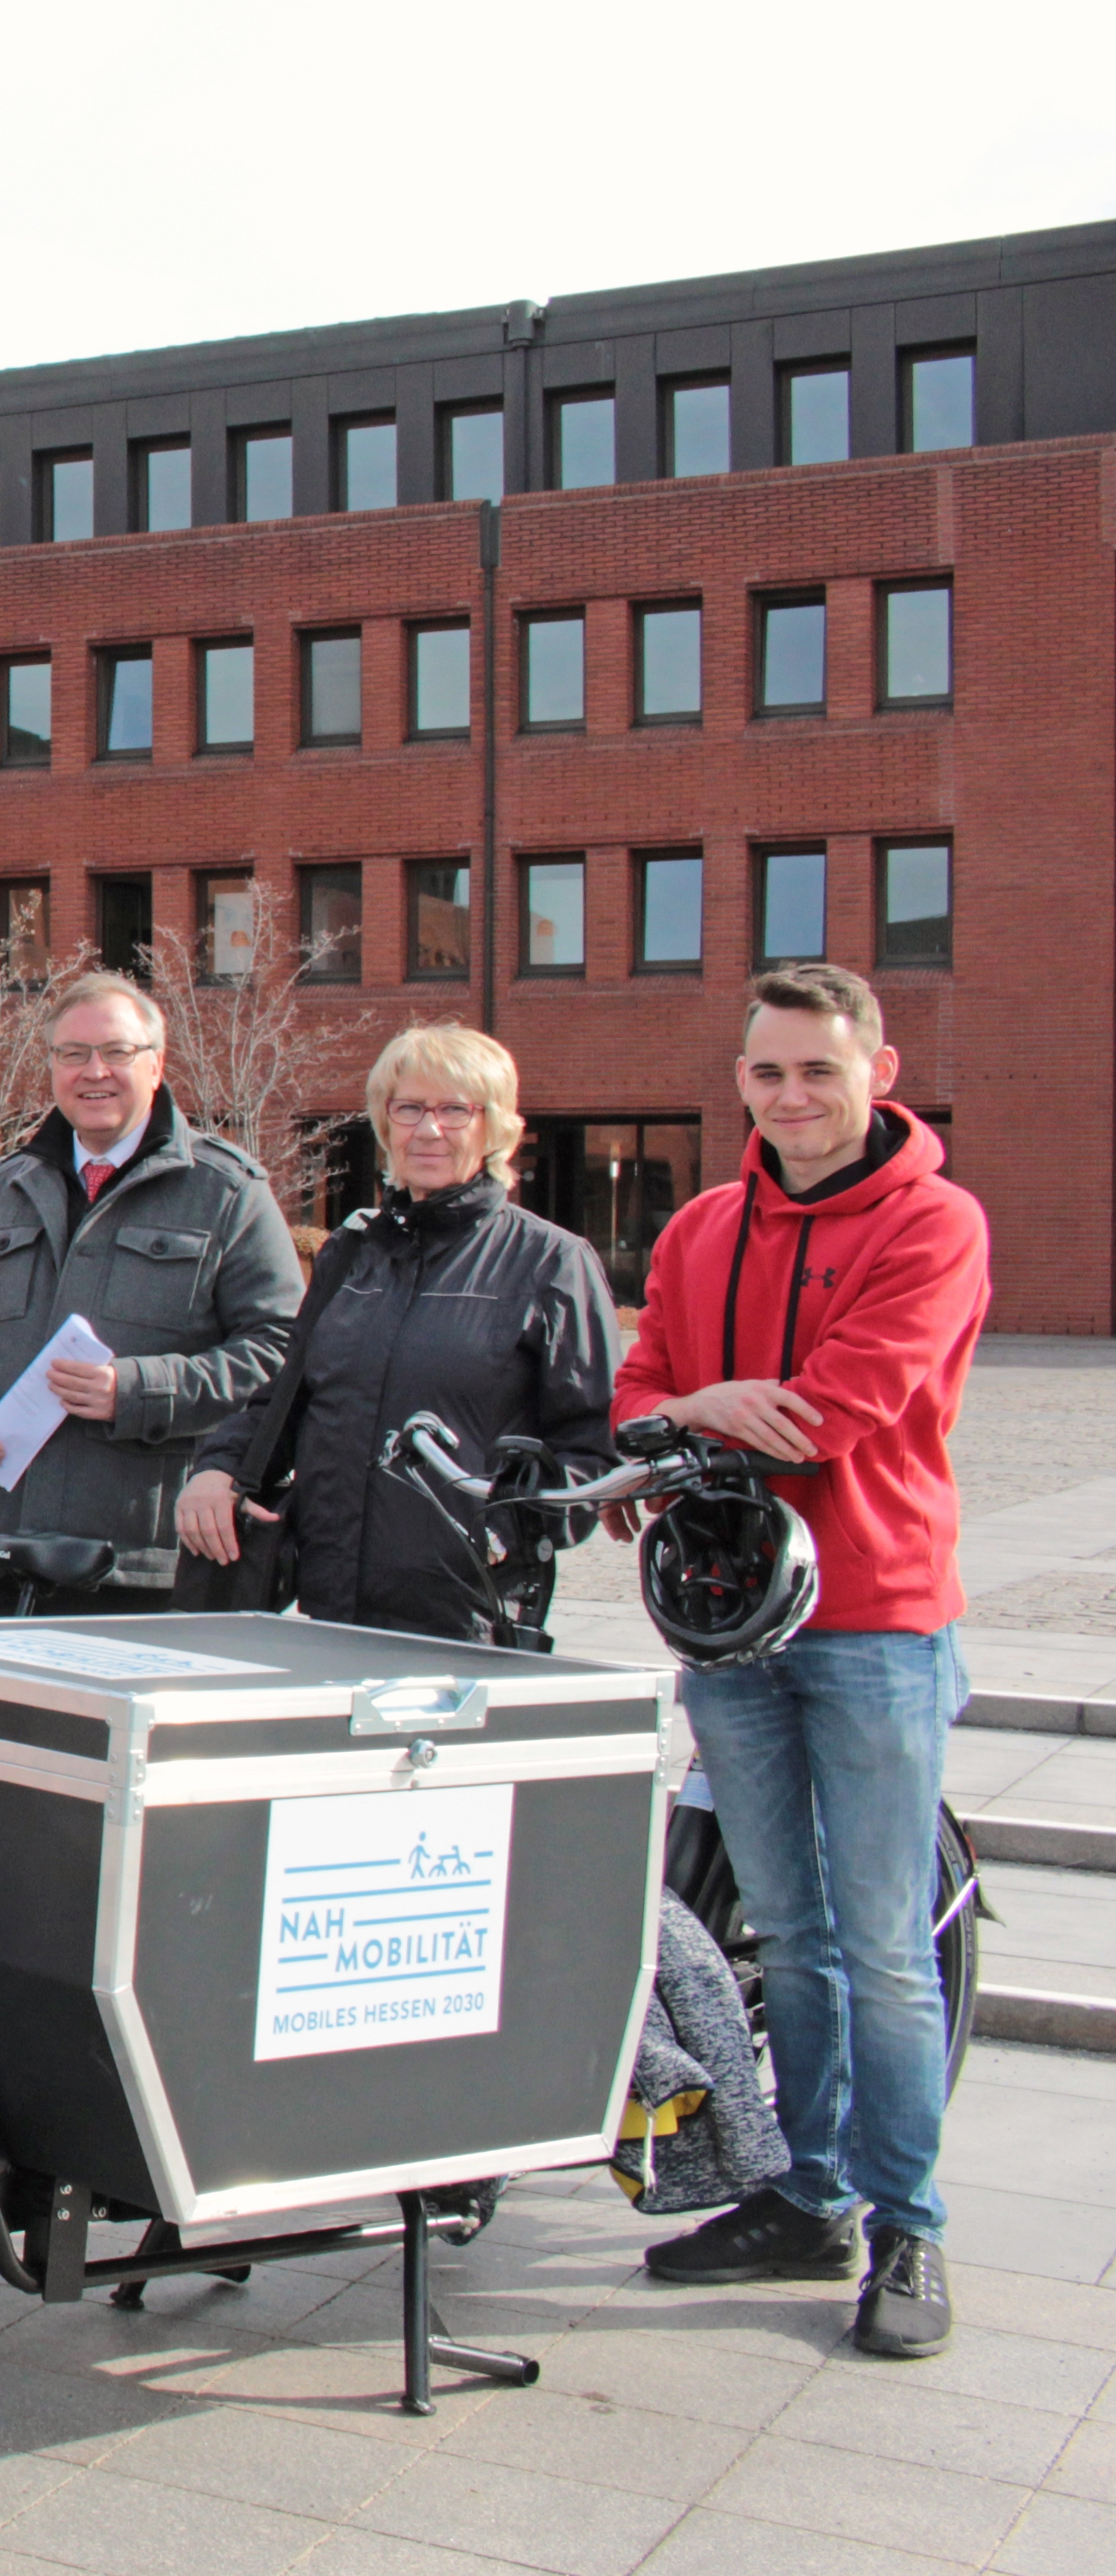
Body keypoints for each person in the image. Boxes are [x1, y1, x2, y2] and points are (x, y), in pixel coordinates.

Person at [616, 963, 989, 2359]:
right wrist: (689, 1410)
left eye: (817, 1070)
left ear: (877, 1073)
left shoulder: (934, 1221)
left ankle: (908, 2223)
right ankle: (809, 2193)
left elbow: (836, 1409)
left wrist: (687, 1414)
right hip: (728, 1619)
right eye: (767, 1072)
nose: (791, 1096)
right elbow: (633, 1393)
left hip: (873, 1620)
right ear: (740, 1081)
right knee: (786, 1934)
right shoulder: (702, 1225)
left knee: (882, 1947)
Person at [179, 1025, 617, 1638]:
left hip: (468, 1613)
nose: (427, 1129)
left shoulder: (550, 1263)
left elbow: (591, 1449)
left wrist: (501, 1534)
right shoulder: (351, 1254)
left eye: (454, 1110)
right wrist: (217, 1467)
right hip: (329, 1603)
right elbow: (287, 1400)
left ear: (494, 1126)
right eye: (408, 1107)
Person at [0, 972, 302, 1616]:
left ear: (155, 1064)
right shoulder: (11, 1184)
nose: (93, 1071)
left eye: (116, 1051)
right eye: (72, 1053)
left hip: (143, 1560)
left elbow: (279, 1353)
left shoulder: (226, 1192)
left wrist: (136, 1389)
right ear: (51, 1067)